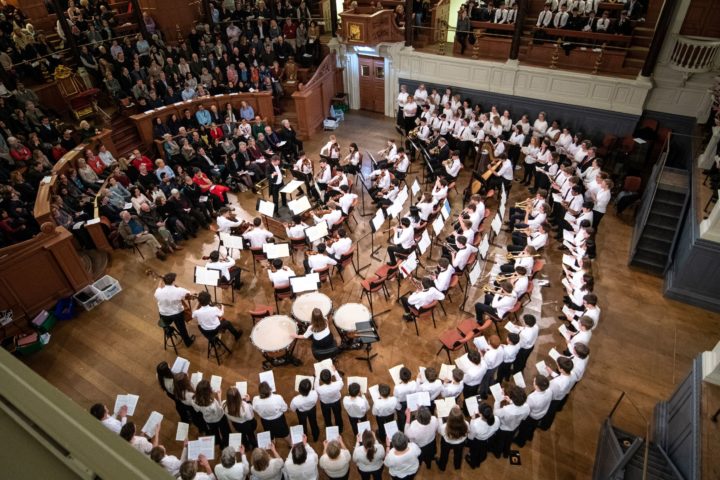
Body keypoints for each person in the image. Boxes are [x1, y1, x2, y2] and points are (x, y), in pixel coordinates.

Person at [154, 272, 195, 347]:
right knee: (182, 328)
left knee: (162, 313)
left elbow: (158, 288)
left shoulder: (158, 292)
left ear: (164, 281)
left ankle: (168, 332)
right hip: (177, 314)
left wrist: (160, 281)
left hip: (164, 315)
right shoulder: (179, 290)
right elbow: (189, 294)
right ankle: (187, 342)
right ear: (173, 281)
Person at [514, 375, 552, 446]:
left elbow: (526, 407)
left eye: (534, 381)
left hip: (532, 416)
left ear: (537, 386)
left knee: (524, 429)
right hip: (541, 414)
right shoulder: (549, 391)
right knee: (533, 427)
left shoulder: (532, 398)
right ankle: (530, 436)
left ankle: (520, 442)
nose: (533, 382)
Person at [493, 385, 530, 458]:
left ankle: (497, 454)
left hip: (503, 428)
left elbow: (495, 413)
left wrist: (497, 400)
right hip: (515, 427)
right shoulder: (527, 407)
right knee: (508, 441)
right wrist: (510, 401)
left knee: (500, 442)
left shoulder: (506, 409)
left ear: (512, 398)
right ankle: (506, 453)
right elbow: (524, 418)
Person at [193, 379, 231, 448]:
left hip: (208, 420)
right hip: (219, 418)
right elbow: (220, 409)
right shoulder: (212, 403)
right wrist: (219, 396)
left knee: (214, 432)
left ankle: (218, 442)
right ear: (208, 391)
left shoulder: (194, 400)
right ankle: (226, 442)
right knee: (225, 430)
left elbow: (197, 410)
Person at [403, 406, 437, 471]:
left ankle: (419, 465)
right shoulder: (434, 419)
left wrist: (408, 417)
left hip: (420, 447)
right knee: (429, 458)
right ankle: (428, 466)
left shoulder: (413, 427)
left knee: (419, 459)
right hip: (431, 443)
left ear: (417, 418)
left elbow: (406, 434)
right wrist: (421, 411)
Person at [436, 406, 469, 471]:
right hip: (460, 443)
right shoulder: (466, 424)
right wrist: (457, 411)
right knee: (458, 454)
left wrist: (439, 417)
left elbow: (439, 432)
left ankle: (442, 467)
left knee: (444, 455)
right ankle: (457, 466)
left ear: (449, 417)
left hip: (447, 443)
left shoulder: (444, 427)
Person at [290, 378, 320, 442]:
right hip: (312, 410)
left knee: (302, 424)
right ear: (310, 389)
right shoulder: (314, 393)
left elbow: (292, 409)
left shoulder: (295, 400)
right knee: (313, 422)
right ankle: (315, 436)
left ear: (299, 389)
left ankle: (304, 436)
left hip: (301, 413)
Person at [315, 367, 344, 433]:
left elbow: (315, 386)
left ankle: (329, 427)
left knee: (327, 416)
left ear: (322, 380)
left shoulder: (319, 389)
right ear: (331, 377)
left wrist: (317, 377)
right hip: (336, 402)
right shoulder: (338, 384)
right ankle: (340, 428)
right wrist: (335, 371)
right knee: (338, 415)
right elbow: (340, 380)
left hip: (325, 404)